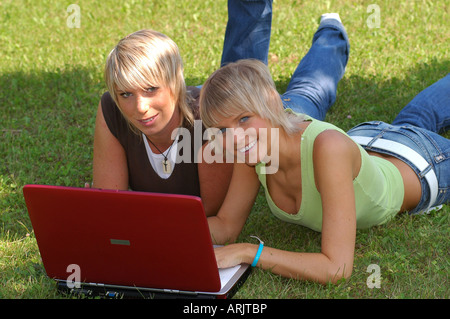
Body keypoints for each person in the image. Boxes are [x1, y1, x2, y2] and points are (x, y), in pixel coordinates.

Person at [91, 0, 349, 217]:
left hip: (259, 121)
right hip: (219, 104)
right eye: (125, 93)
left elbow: (207, 213)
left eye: (151, 89)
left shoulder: (214, 125)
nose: (140, 108)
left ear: (175, 82)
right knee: (238, 63)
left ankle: (332, 36)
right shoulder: (113, 110)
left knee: (308, 92)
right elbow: (111, 206)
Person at [199, 60, 449, 283]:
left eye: (244, 118)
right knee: (418, 117)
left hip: (423, 161)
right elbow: (225, 225)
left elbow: (336, 268)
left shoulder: (328, 147)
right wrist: (163, 237)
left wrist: (249, 252)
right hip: (367, 139)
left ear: (273, 104)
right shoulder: (251, 152)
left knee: (419, 120)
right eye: (222, 129)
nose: (235, 137)